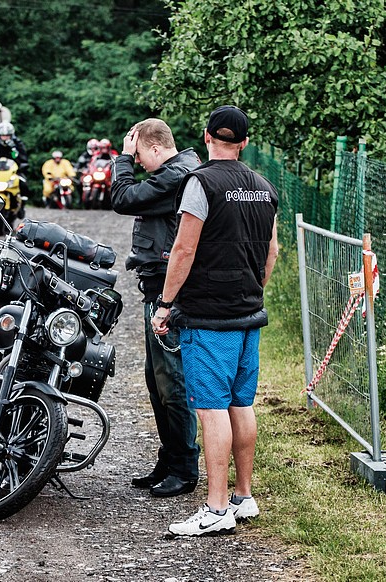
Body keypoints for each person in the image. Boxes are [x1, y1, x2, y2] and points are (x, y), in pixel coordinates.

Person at [151, 105, 279, 537]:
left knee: (211, 409)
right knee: (241, 403)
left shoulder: (200, 182)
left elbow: (184, 249)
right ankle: (243, 497)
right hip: (248, 313)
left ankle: (216, 508)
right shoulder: (265, 187)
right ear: (244, 142)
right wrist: (252, 291)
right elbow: (271, 252)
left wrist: (165, 304)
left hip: (208, 317)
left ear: (207, 137)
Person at [110, 118, 202, 498]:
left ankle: (184, 467)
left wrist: (122, 158)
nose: (138, 164)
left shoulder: (176, 175)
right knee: (157, 379)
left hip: (170, 293)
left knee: (172, 381)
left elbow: (122, 198)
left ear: (153, 147)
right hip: (158, 288)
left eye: (139, 156)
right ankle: (169, 459)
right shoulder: (174, 172)